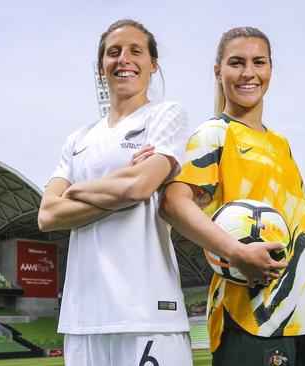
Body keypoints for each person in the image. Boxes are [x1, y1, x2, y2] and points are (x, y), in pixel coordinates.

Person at [160, 26, 305, 366]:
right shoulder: (214, 134)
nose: (248, 73)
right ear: (218, 70)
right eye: (236, 63)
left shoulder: (281, 144)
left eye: (259, 62)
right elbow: (172, 203)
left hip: (299, 312)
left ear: (270, 68)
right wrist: (236, 252)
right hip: (248, 317)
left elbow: (300, 223)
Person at [37, 19, 193, 366]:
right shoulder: (77, 139)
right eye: (113, 52)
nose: (124, 59)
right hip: (82, 320)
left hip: (147, 314)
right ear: (100, 67)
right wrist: (122, 190)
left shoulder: (165, 115)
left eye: (136, 51)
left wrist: (75, 190)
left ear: (153, 65)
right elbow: (47, 215)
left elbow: (139, 187)